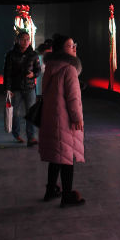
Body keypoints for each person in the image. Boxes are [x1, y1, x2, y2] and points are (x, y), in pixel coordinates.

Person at [38, 34, 86, 207]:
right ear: (61, 50)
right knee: (67, 157)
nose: (74, 48)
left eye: (74, 45)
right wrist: (77, 118)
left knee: (56, 156)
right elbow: (73, 98)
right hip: (65, 120)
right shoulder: (69, 69)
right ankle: (67, 196)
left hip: (52, 118)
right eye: (70, 46)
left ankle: (51, 189)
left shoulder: (50, 67)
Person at [4, 30, 41, 146]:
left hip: (30, 88)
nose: (25, 42)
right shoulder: (11, 55)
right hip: (16, 88)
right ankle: (16, 134)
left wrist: (33, 74)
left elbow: (38, 70)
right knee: (15, 113)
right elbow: (7, 73)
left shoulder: (33, 54)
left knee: (31, 113)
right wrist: (8, 88)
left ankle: (31, 137)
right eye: (23, 39)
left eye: (27, 39)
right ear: (17, 40)